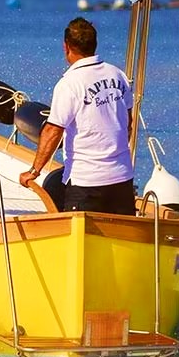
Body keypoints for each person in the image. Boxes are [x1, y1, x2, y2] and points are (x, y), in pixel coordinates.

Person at [18, 17, 135, 215]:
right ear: (94, 44)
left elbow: (53, 131)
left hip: (86, 183)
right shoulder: (117, 75)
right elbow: (128, 122)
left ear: (66, 47)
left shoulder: (70, 83)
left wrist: (34, 171)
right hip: (122, 178)